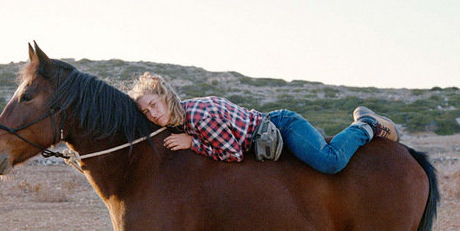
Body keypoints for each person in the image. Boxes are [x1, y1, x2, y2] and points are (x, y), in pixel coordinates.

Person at [128, 72, 399, 174]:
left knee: (330, 162)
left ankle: (365, 125)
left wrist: (192, 143)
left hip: (282, 126)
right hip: (262, 134)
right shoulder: (180, 119)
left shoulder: (197, 118)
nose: (152, 114)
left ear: (166, 98)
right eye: (146, 112)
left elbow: (232, 154)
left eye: (154, 105)